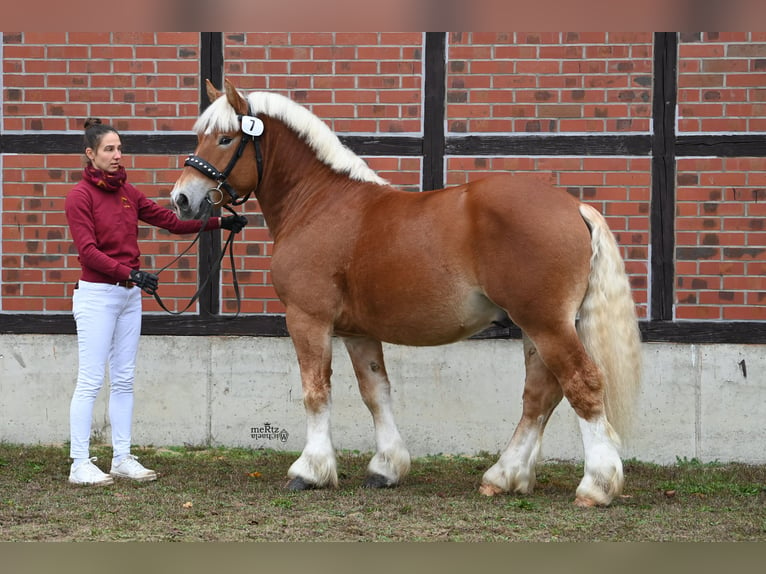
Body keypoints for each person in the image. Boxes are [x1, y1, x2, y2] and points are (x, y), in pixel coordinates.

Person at [64, 118, 247, 486]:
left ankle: (121, 457)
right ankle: (79, 462)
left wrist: (219, 224)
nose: (117, 155)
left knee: (125, 379)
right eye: (109, 150)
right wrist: (130, 273)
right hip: (98, 296)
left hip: (129, 296)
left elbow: (171, 222)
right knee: (90, 380)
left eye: (119, 148)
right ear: (91, 154)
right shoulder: (80, 197)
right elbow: (88, 252)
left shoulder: (127, 193)